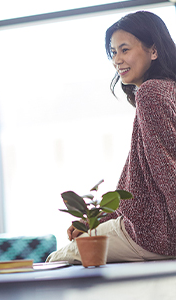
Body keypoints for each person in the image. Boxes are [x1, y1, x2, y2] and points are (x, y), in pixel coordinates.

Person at [47, 11, 176, 264]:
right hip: (157, 229)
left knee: (55, 260)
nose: (117, 59)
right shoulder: (168, 90)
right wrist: (99, 220)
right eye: (113, 52)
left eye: (124, 49)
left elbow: (168, 171)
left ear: (153, 50)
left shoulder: (150, 94)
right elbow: (143, 184)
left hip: (156, 235)